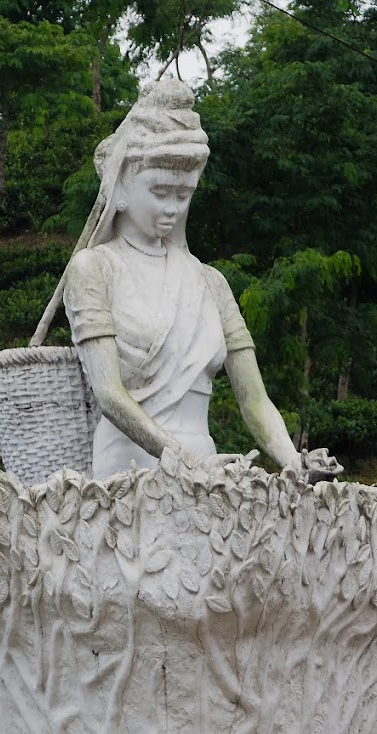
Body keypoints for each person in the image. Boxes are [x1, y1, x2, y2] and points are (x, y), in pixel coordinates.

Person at [58, 80, 339, 482]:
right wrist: (182, 459)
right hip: (132, 466)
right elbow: (109, 395)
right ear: (119, 189)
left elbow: (254, 400)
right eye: (160, 191)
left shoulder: (211, 282)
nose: (173, 207)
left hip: (205, 465)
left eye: (184, 194)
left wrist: (293, 460)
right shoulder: (94, 269)